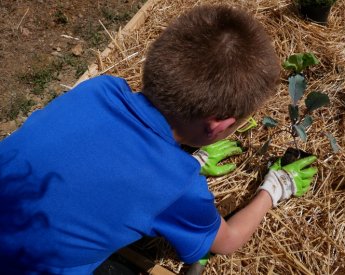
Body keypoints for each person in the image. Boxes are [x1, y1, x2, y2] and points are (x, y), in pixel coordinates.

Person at [0, 5, 317, 274]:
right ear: (218, 126)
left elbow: (97, 161)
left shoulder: (98, 89)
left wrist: (186, 157)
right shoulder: (177, 186)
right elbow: (228, 240)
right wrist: (274, 189)